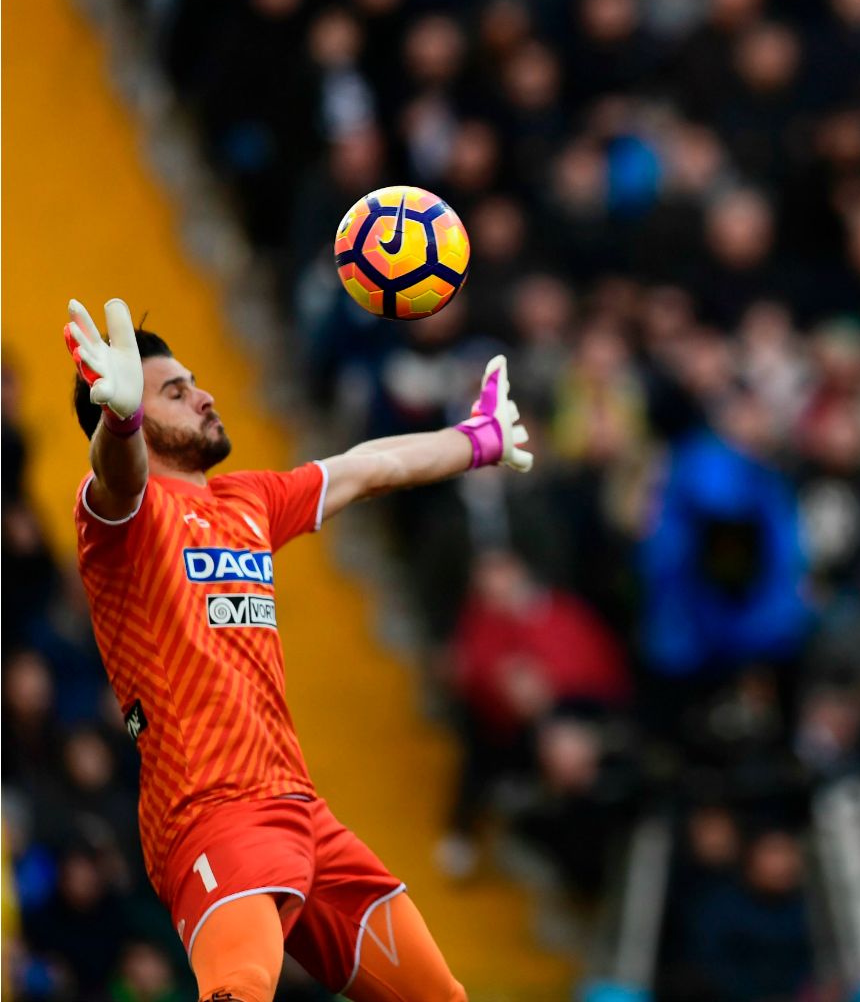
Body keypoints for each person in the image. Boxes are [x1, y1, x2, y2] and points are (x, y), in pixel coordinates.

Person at [62, 296, 533, 1002]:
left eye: (196, 381)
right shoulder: (120, 522)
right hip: (208, 812)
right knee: (242, 991)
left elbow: (362, 468)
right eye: (176, 391)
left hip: (301, 813)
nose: (204, 395)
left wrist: (475, 440)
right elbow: (118, 475)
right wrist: (121, 423)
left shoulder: (246, 501)